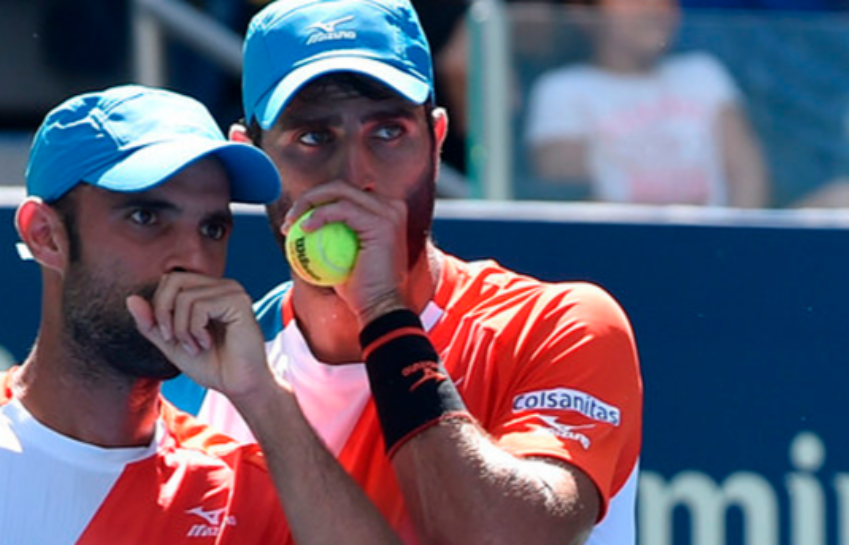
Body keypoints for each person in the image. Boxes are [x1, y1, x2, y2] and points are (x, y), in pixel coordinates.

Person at [0, 85, 400, 545]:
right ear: (45, 235)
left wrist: (263, 397)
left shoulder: (248, 489)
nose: (192, 258)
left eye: (212, 228)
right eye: (146, 217)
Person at [196, 1, 643, 544]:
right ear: (252, 157)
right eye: (312, 138)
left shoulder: (559, 326)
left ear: (435, 143)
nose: (355, 175)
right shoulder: (208, 374)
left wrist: (383, 313)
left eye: (388, 132)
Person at [523, 0, 769, 207]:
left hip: (717, 243)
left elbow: (747, 174)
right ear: (583, 11)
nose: (655, 9)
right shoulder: (562, 89)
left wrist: (736, 237)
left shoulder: (703, 73)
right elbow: (571, 197)